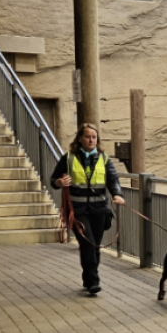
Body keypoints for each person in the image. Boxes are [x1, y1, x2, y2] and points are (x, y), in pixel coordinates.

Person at [50, 124, 125, 295]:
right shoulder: (68, 158)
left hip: (99, 210)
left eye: (94, 137)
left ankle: (88, 277)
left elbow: (113, 180)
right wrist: (58, 182)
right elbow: (53, 179)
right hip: (78, 211)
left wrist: (117, 194)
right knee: (88, 243)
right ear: (80, 139)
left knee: (94, 246)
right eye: (87, 136)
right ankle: (93, 281)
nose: (91, 140)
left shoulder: (104, 159)